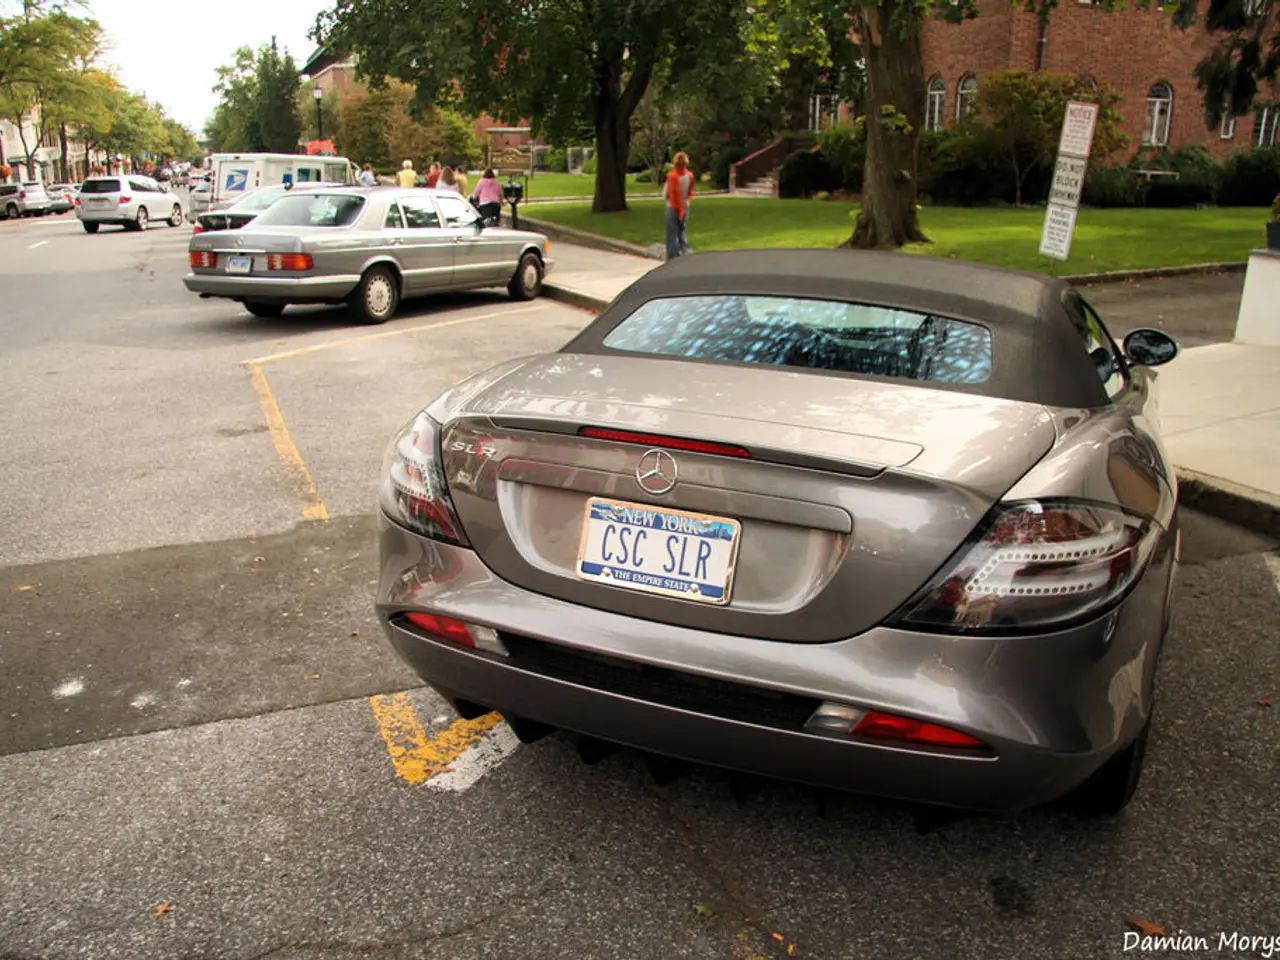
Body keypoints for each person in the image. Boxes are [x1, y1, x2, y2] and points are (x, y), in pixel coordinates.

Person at [663, 152, 694, 260]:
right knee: (681, 230)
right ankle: (686, 251)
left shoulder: (672, 176)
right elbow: (690, 191)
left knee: (671, 233)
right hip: (685, 205)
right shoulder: (689, 176)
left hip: (672, 206)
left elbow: (665, 194)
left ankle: (672, 257)